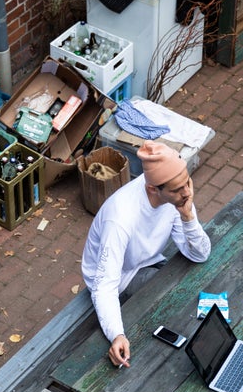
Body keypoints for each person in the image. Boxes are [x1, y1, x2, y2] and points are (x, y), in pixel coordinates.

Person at [81, 141, 211, 368]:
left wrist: (188, 217)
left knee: (191, 296)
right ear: (153, 189)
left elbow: (200, 255)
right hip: (122, 277)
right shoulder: (120, 219)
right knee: (171, 314)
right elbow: (103, 286)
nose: (187, 192)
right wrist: (117, 335)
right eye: (178, 189)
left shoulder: (176, 195)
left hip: (148, 262)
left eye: (187, 182)